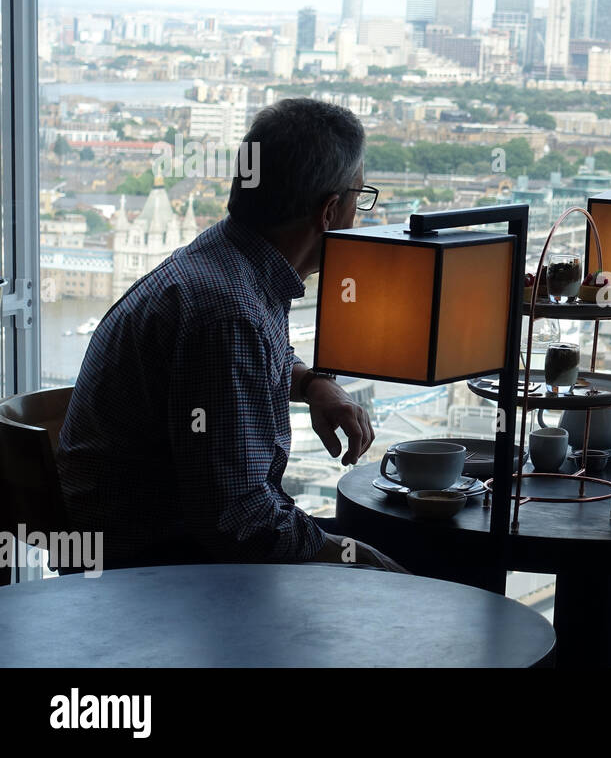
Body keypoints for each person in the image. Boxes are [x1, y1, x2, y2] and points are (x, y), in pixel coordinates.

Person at [58, 98, 402, 573]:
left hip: (141, 550)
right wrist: (354, 556)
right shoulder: (227, 315)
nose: (358, 216)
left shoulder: (226, 264)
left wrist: (310, 383)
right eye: (359, 198)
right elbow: (239, 523)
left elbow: (246, 369)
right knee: (396, 560)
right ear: (328, 212)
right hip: (153, 576)